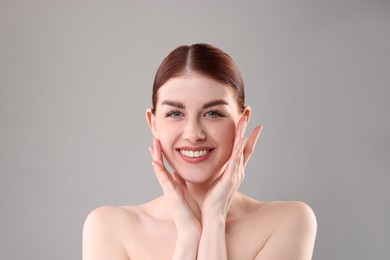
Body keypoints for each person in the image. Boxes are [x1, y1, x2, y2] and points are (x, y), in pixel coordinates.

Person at [82, 43, 317, 260]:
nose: (193, 134)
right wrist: (188, 236)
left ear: (242, 121)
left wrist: (214, 219)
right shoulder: (109, 228)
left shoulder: (287, 222)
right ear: (153, 123)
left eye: (213, 113)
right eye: (175, 113)